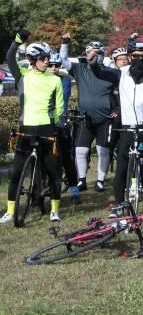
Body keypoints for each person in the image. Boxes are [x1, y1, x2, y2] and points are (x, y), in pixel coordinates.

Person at [89, 41, 143, 218]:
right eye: (136, 56)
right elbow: (101, 72)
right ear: (130, 57)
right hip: (127, 126)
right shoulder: (121, 73)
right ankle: (117, 205)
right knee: (122, 167)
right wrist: (94, 63)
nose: (140, 59)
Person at [1, 32, 65, 224]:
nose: (47, 62)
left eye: (48, 58)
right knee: (17, 173)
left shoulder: (55, 80)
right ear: (32, 59)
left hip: (46, 128)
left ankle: (55, 210)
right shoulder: (23, 76)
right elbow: (9, 57)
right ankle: (11, 212)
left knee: (53, 172)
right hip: (26, 128)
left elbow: (60, 106)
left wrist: (54, 121)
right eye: (43, 59)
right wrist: (17, 40)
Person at [59, 36, 115, 192]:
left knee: (103, 151)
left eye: (98, 53)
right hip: (85, 118)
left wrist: (117, 109)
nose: (95, 55)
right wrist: (65, 43)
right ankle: (82, 180)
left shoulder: (111, 73)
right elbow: (63, 60)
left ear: (103, 54)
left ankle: (100, 181)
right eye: (92, 52)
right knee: (80, 150)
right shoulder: (80, 69)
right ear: (87, 53)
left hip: (105, 119)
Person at [46, 52, 81, 204]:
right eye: (50, 65)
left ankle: (74, 190)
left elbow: (63, 100)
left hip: (59, 122)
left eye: (57, 65)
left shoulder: (64, 80)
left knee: (67, 158)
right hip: (41, 122)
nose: (53, 68)